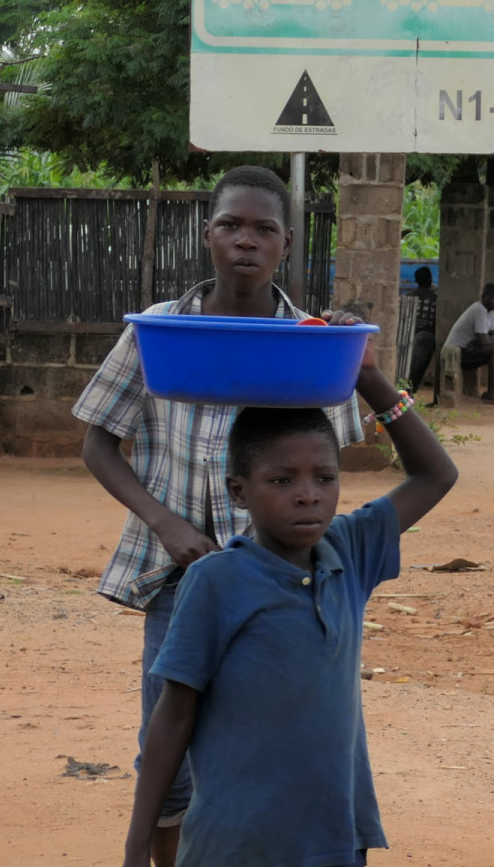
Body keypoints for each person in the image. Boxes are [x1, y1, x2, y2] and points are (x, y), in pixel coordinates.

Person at [74, 166, 369, 867]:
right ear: (208, 235)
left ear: (286, 243)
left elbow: (332, 455)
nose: (246, 240)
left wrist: (353, 355)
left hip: (279, 585)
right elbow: (96, 440)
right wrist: (165, 523)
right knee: (167, 747)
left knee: (260, 742)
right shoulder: (159, 332)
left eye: (263, 229)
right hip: (177, 580)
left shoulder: (311, 340)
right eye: (231, 225)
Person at [120, 350, 459, 867]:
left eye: (325, 478)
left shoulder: (349, 551)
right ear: (238, 491)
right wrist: (136, 845)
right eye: (282, 481)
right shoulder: (216, 581)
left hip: (333, 837)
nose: (308, 496)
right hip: (236, 846)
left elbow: (436, 474)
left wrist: (368, 376)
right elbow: (172, 717)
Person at [444, 283, 494, 405]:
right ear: (483, 297)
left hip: (470, 349)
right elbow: (483, 340)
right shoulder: (479, 309)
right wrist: (481, 341)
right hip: (457, 353)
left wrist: (481, 341)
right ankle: (491, 394)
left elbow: (491, 335)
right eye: (492, 298)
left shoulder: (490, 311)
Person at [405, 266, 438, 394]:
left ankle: (406, 390)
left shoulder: (408, 298)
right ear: (430, 281)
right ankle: (411, 391)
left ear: (416, 281)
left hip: (407, 339)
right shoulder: (435, 299)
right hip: (427, 340)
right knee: (418, 369)